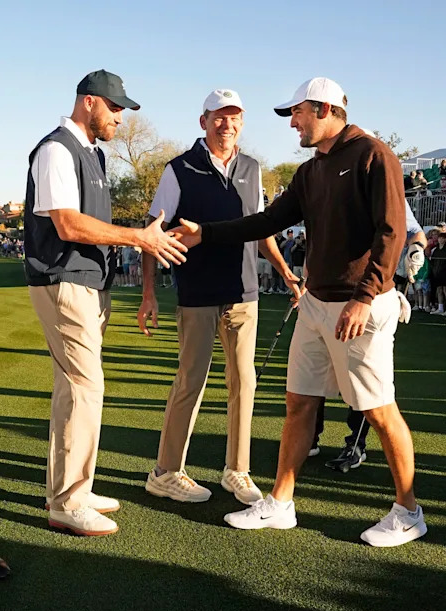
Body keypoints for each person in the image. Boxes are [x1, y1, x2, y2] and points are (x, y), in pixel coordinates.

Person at [170, 77, 427, 547]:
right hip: (314, 302)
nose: (293, 123)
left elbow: (392, 233)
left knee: (377, 409)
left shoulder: (375, 155)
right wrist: (205, 232)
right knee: (299, 401)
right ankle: (281, 503)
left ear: (325, 109)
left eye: (298, 113)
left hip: (360, 305)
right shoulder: (312, 170)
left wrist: (365, 296)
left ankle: (408, 511)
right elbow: (267, 221)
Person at [23, 70, 187, 537]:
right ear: (90, 103)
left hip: (90, 285)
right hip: (64, 281)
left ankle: (74, 487)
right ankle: (67, 501)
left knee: (76, 388)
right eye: (116, 108)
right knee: (83, 387)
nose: (121, 117)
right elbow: (68, 225)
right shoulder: (57, 149)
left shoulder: (93, 153)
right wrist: (138, 238)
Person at [137, 89, 294, 506]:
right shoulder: (179, 169)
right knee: (191, 382)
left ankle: (237, 471)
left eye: (235, 117)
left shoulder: (253, 168)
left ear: (242, 122)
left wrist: (285, 273)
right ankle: (166, 472)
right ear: (203, 121)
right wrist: (148, 292)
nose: (227, 124)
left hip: (244, 292)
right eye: (219, 117)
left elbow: (261, 229)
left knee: (245, 381)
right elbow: (152, 232)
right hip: (198, 293)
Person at [430, 231, 446, 315]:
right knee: (439, 290)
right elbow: (432, 261)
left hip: (445, 272)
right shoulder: (435, 250)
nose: (440, 240)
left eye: (442, 238)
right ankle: (440, 308)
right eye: (439, 238)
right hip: (437, 273)